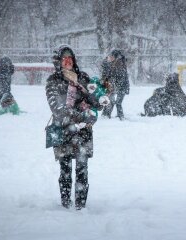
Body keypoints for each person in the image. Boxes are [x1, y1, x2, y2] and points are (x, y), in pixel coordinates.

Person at [45, 45, 104, 210]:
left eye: (70, 58)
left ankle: (80, 205)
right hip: (63, 130)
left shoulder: (83, 77)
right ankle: (65, 203)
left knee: (82, 169)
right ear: (58, 61)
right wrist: (81, 113)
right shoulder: (53, 81)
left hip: (83, 131)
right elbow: (56, 108)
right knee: (65, 169)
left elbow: (95, 104)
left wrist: (100, 98)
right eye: (64, 58)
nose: (68, 61)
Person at [101, 49, 130, 120]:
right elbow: (108, 73)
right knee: (111, 101)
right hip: (115, 86)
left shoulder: (119, 64)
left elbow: (121, 78)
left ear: (115, 57)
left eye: (112, 56)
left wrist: (115, 87)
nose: (110, 57)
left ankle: (120, 116)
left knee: (117, 102)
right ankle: (107, 115)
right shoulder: (114, 63)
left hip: (121, 87)